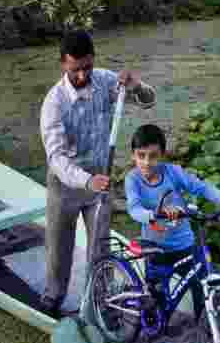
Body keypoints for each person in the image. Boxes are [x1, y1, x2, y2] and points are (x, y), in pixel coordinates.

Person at [39, 29, 157, 319]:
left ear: (93, 60)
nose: (82, 75)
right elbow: (56, 158)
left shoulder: (105, 81)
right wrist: (86, 180)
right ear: (63, 64)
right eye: (75, 69)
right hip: (65, 184)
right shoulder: (53, 103)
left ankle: (98, 303)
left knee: (100, 249)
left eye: (87, 67)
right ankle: (52, 299)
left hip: (101, 181)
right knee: (59, 250)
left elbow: (147, 101)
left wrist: (137, 85)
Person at [124, 123, 220, 315]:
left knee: (202, 285)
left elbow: (200, 187)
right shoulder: (132, 179)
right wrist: (155, 213)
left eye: (153, 156)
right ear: (133, 155)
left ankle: (206, 327)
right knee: (156, 307)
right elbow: (134, 208)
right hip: (155, 249)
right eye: (141, 156)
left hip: (184, 245)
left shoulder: (173, 172)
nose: (147, 162)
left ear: (163, 155)